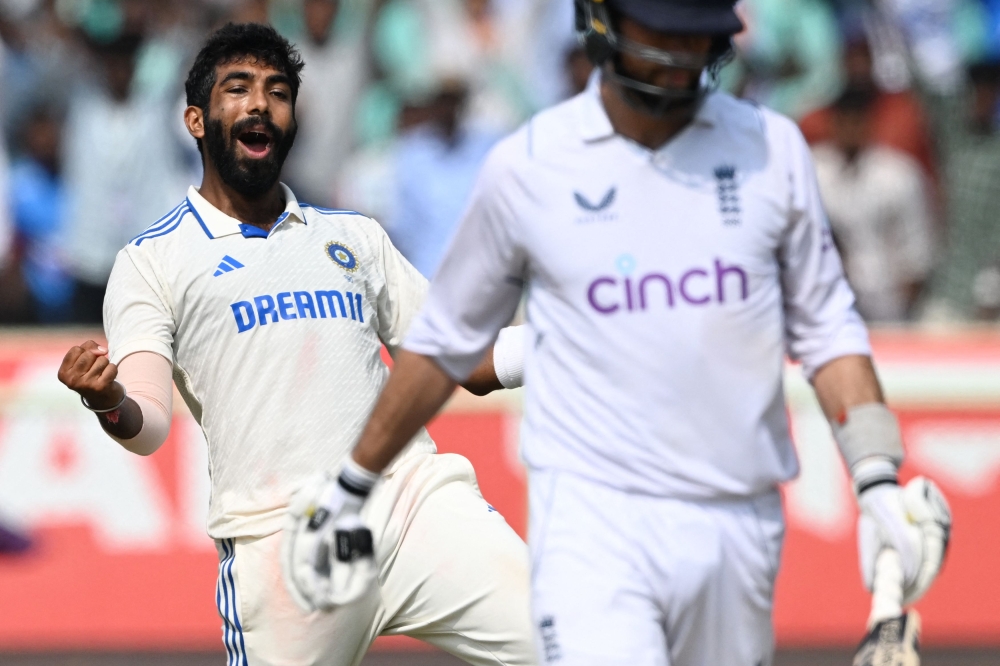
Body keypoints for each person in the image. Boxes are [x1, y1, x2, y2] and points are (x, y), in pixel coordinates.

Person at [284, 2, 953, 665]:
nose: (681, 56)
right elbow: (444, 350)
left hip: (736, 522)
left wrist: (876, 478)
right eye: (662, 34)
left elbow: (829, 327)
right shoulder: (530, 165)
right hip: (594, 526)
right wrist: (352, 486)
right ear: (604, 22)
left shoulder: (771, 150)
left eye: (696, 36)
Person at [56, 23, 535, 666]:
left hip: (411, 504)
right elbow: (145, 424)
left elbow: (464, 358)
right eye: (239, 88)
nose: (260, 104)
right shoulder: (153, 260)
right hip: (282, 544)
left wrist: (575, 339)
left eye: (277, 92)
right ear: (197, 120)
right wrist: (108, 397)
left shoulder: (354, 236)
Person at [811, 87, 935, 322]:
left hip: (889, 309)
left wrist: (902, 313)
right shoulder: (812, 170)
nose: (850, 130)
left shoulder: (899, 175)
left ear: (870, 124)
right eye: (843, 122)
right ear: (832, 124)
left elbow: (917, 253)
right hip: (827, 307)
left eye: (856, 122)